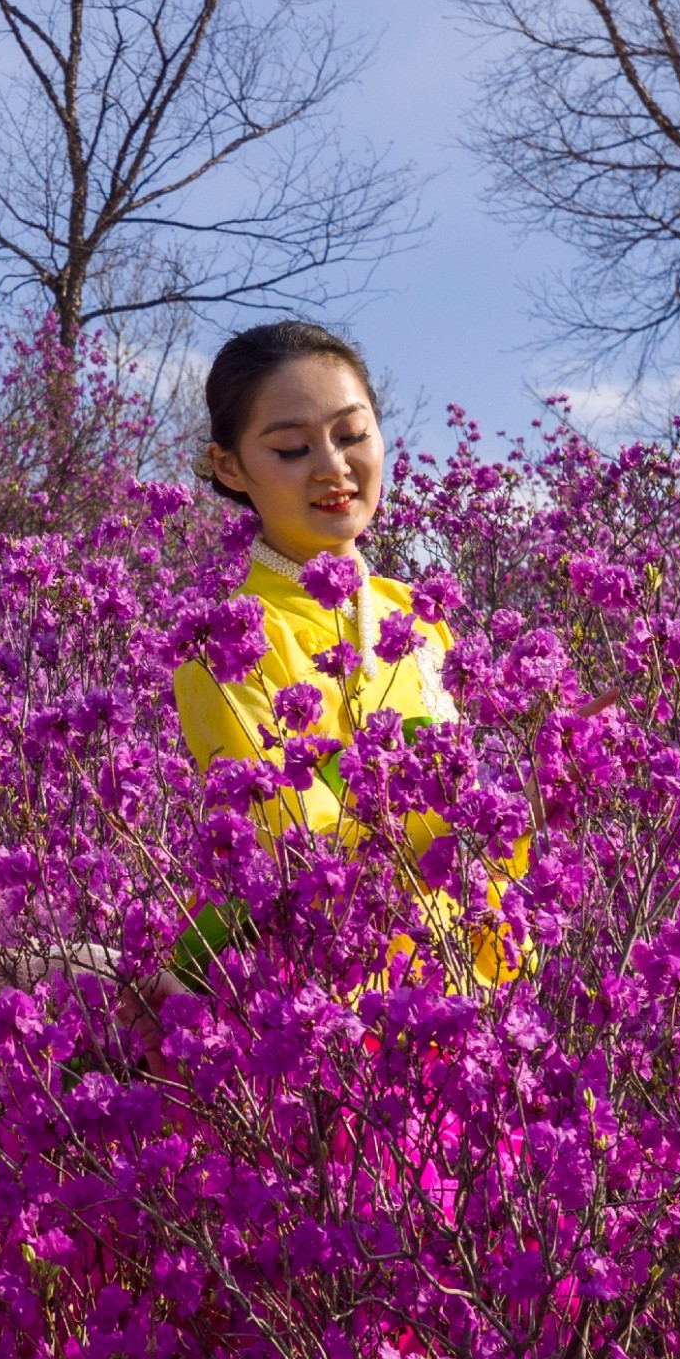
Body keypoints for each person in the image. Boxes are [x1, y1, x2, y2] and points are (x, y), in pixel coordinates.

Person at [168, 319, 504, 977]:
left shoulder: (419, 617)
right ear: (229, 467)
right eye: (292, 449)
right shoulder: (231, 639)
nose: (333, 467)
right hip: (330, 1009)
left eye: (352, 435)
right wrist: (489, 823)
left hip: (466, 987)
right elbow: (297, 856)